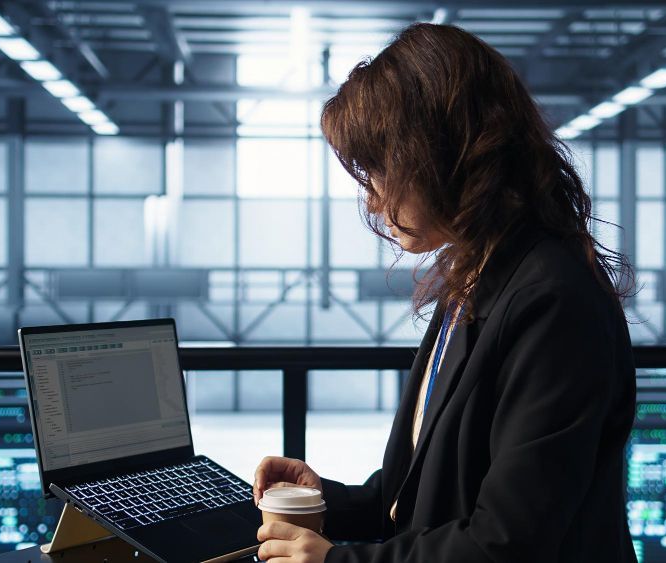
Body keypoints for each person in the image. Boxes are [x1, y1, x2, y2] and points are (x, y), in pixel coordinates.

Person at [253, 23, 637, 563]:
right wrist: (325, 500)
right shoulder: (476, 272)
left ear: (445, 154)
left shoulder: (551, 300)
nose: (374, 202)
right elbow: (429, 489)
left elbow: (507, 541)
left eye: (382, 171)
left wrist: (336, 561)